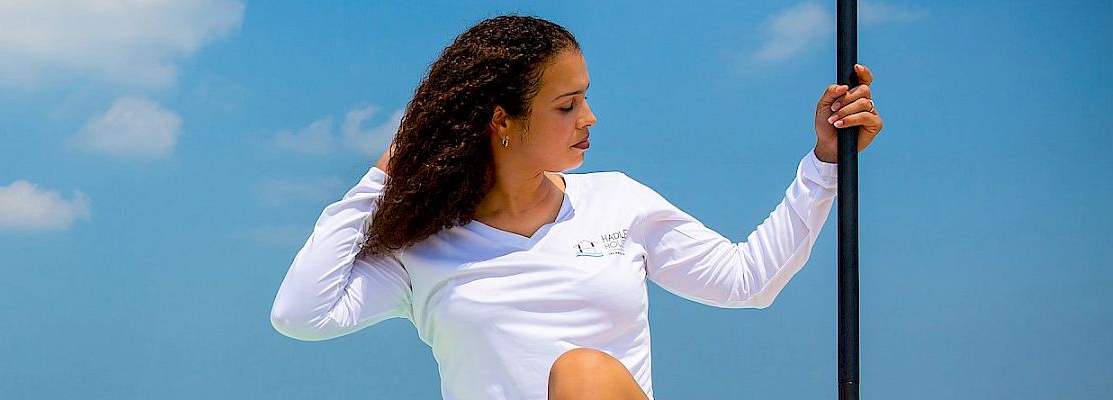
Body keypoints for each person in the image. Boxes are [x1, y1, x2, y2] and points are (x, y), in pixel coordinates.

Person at [267, 15, 884, 400]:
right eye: (567, 105)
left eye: (585, 99)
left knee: (584, 375)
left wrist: (824, 165)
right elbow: (300, 313)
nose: (589, 119)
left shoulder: (617, 201)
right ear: (501, 122)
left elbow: (747, 281)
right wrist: (390, 166)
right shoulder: (422, 251)